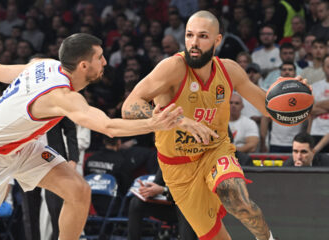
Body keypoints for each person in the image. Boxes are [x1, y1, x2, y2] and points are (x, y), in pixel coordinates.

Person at [0, 33, 186, 240]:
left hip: (24, 146)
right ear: (84, 65)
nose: (106, 63)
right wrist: (154, 124)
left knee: (79, 191)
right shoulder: (61, 96)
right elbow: (109, 127)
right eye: (100, 58)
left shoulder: (45, 65)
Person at [122, 11, 291, 240]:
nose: (193, 42)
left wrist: (295, 99)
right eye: (189, 35)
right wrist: (180, 121)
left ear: (217, 40)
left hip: (214, 150)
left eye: (202, 36)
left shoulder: (229, 70)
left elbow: (274, 111)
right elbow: (129, 106)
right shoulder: (172, 67)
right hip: (177, 167)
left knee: (233, 192)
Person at [128, 168, 198, 240]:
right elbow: (158, 183)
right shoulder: (166, 160)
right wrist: (148, 190)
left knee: (184, 206)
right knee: (136, 202)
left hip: (191, 206)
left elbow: (190, 190)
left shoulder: (192, 162)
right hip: (170, 207)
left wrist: (164, 190)